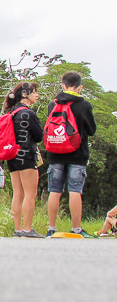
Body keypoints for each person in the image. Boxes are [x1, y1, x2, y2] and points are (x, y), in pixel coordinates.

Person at [45, 71, 97, 237]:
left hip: (55, 154)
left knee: (54, 190)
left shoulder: (52, 105)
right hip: (77, 154)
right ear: (80, 87)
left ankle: (51, 228)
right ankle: (76, 229)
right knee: (75, 190)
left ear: (63, 84)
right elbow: (91, 130)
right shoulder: (85, 105)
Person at [3, 82, 44, 238]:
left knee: (17, 193)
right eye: (34, 92)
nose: (37, 95)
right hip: (26, 155)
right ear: (25, 95)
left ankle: (18, 229)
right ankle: (27, 229)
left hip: (12, 155)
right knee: (30, 193)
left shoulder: (11, 113)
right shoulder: (28, 113)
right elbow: (39, 136)